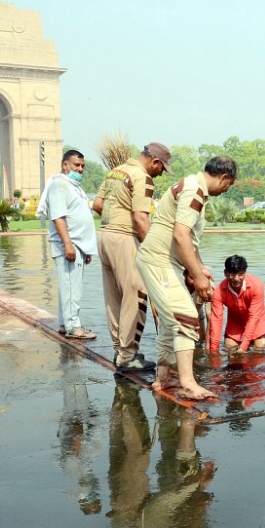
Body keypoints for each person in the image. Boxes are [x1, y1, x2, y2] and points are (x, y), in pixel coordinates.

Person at [136, 156, 238, 400]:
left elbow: (189, 240)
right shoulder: (194, 190)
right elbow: (180, 236)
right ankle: (188, 383)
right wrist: (197, 277)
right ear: (224, 177)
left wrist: (200, 268)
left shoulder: (194, 187)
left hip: (160, 260)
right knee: (188, 317)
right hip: (158, 261)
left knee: (172, 321)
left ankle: (163, 378)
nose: (226, 191)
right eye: (229, 185)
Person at [92, 142, 172, 372]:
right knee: (136, 296)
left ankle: (120, 351)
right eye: (161, 169)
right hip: (124, 239)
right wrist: (154, 253)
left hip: (105, 237)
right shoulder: (142, 177)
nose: (160, 175)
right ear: (155, 162)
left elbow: (98, 205)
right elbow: (141, 220)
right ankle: (128, 356)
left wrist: (117, 219)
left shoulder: (115, 171)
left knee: (114, 298)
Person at [47, 149, 97, 340]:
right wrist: (68, 244)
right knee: (71, 287)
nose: (80, 169)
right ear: (65, 165)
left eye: (83, 166)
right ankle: (73, 326)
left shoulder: (74, 187)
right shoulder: (59, 185)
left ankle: (64, 322)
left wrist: (86, 247)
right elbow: (58, 217)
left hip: (78, 245)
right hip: (69, 244)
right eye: (76, 165)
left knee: (68, 286)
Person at [210, 255, 265, 353]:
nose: (236, 278)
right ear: (225, 273)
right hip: (234, 325)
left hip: (257, 323)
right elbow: (216, 321)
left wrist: (243, 347)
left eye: (240, 274)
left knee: (260, 352)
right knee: (230, 353)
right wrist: (214, 351)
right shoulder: (219, 291)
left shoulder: (257, 285)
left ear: (245, 272)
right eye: (232, 274)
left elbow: (254, 316)